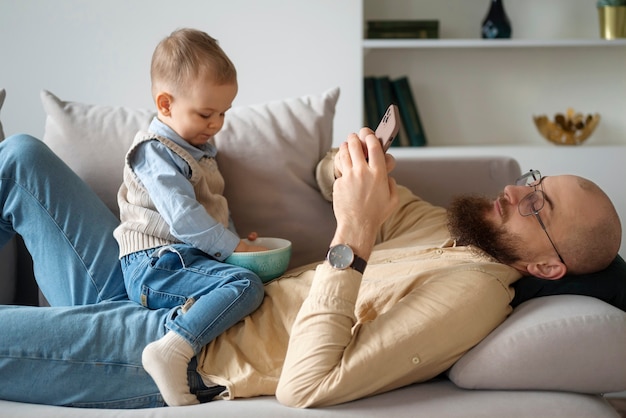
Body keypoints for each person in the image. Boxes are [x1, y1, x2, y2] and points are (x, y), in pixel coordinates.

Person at [0, 127, 621, 408]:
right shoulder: (444, 226)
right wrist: (355, 160)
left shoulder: (471, 301)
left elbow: (307, 389)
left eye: (537, 204)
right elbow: (328, 176)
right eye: (533, 180)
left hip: (191, 347)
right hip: (170, 274)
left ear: (546, 266)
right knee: (22, 157)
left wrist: (353, 235)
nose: (516, 190)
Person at [113, 28, 268, 406]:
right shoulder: (154, 152)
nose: (216, 124)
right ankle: (170, 351)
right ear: (165, 104)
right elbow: (184, 218)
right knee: (245, 286)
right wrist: (232, 249)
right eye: (205, 113)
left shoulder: (201, 152)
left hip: (182, 260)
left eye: (223, 113)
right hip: (153, 264)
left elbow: (213, 213)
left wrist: (241, 247)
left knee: (258, 279)